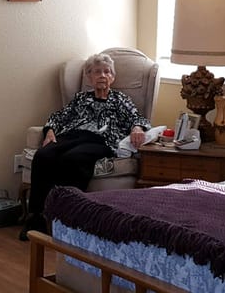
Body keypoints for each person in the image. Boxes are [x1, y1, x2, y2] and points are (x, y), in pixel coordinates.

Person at [18, 53, 150, 241]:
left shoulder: (120, 99)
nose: (102, 75)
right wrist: (49, 131)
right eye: (97, 72)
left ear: (113, 77)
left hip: (100, 140)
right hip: (71, 135)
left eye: (107, 72)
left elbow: (137, 117)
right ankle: (36, 218)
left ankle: (64, 215)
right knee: (43, 155)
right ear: (89, 77)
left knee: (72, 159)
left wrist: (137, 127)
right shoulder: (80, 98)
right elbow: (58, 116)